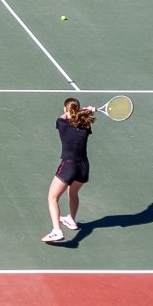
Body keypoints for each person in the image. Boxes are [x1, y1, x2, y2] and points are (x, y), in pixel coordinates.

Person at [43, 98, 96, 243]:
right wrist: (86, 111)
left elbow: (64, 116)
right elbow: (78, 117)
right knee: (73, 192)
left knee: (52, 198)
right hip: (84, 167)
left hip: (69, 166)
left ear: (66, 109)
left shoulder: (62, 124)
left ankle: (56, 231)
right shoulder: (85, 125)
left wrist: (81, 111)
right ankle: (71, 220)